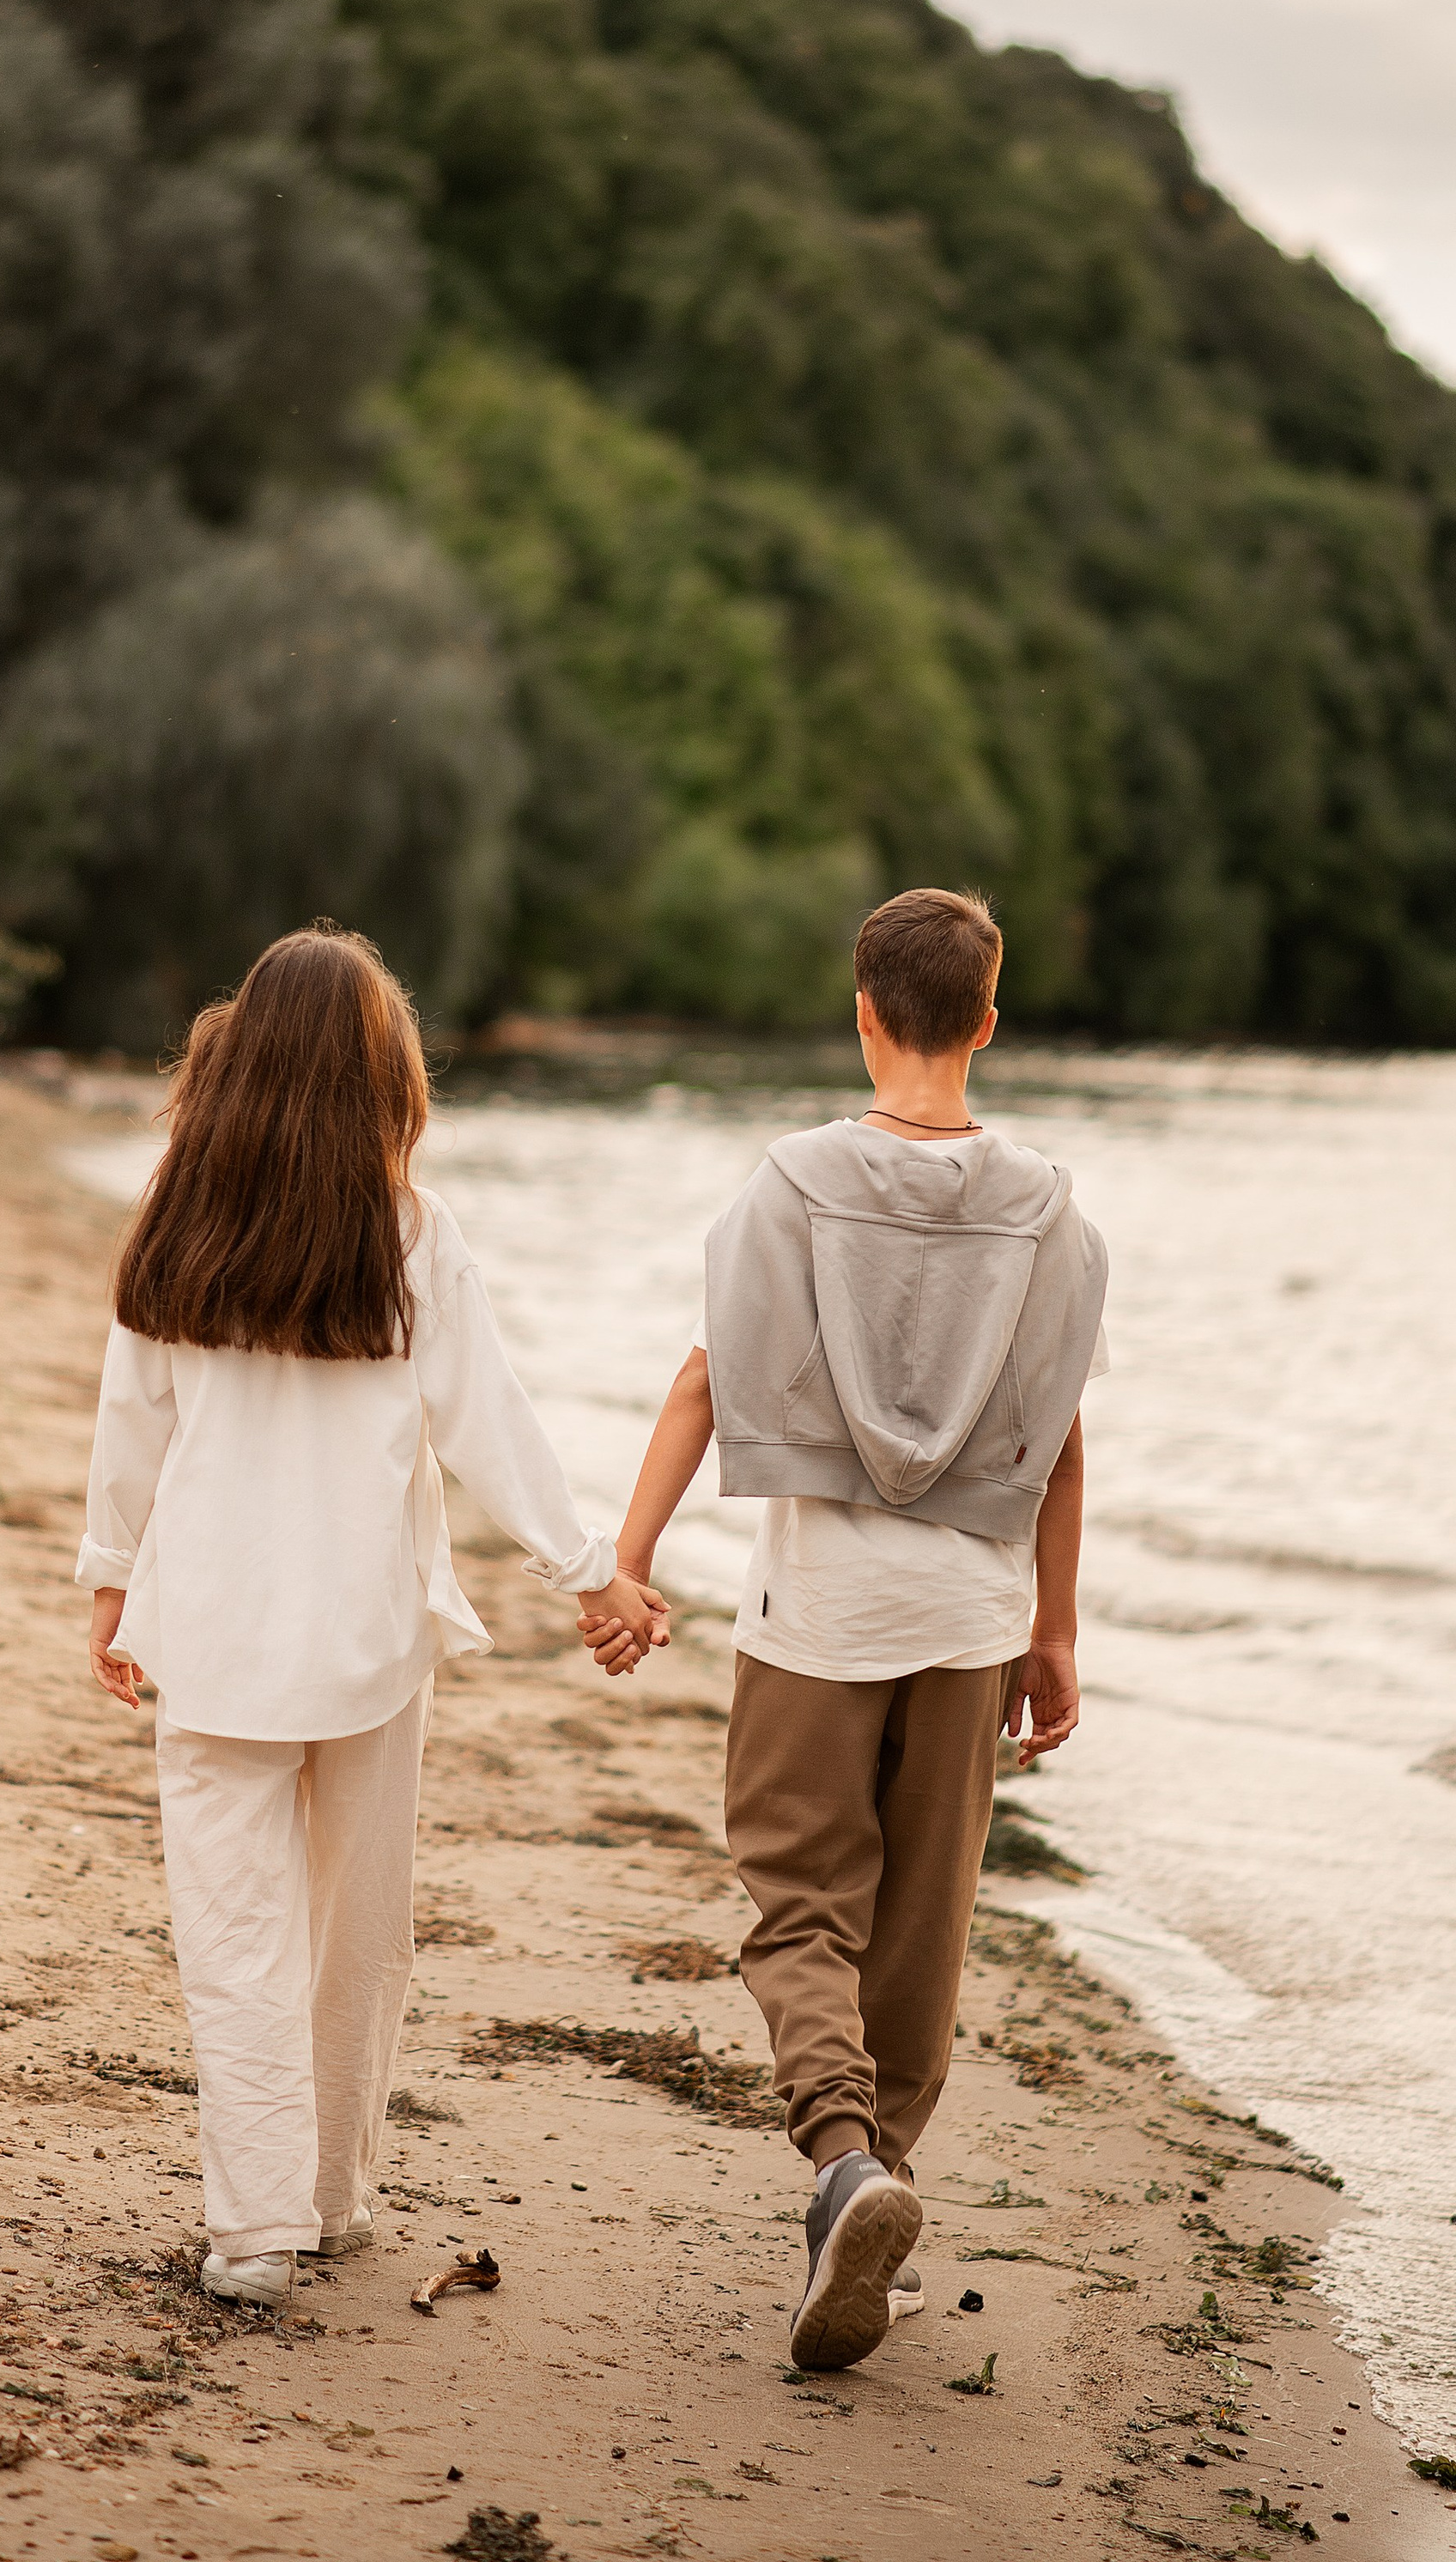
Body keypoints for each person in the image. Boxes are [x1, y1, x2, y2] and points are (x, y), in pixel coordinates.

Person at [79, 922, 663, 2313]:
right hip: (366, 1640)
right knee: (358, 1926)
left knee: (235, 1931)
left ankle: (258, 2227)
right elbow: (491, 1427)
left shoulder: (178, 1207)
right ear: (381, 1075)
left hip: (212, 1629)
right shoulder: (408, 1228)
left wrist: (110, 1576)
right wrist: (592, 1569)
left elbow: (131, 1415)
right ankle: (328, 2193)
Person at [585, 886, 1107, 2372]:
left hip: (820, 1607)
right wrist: (1054, 1633)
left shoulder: (788, 1185)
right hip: (970, 1613)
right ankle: (878, 2179)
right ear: (988, 1022)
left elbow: (706, 1384)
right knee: (923, 1926)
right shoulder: (1054, 1211)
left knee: (801, 1895)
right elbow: (1061, 1443)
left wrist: (626, 1562)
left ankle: (843, 2169)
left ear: (864, 1015)